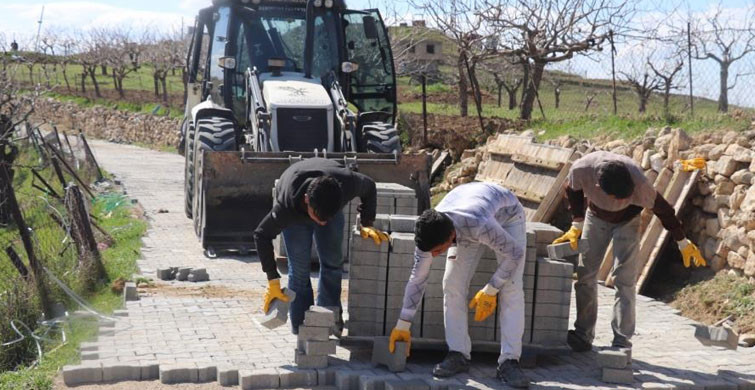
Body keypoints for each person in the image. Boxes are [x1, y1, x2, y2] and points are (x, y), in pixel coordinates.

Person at [553, 151, 706, 352]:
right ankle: (582, 335)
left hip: (628, 221)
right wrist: (577, 223)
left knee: (624, 280)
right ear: (599, 187)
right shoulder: (582, 169)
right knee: (585, 275)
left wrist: (682, 241)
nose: (620, 200)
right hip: (596, 217)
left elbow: (664, 210)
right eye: (617, 197)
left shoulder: (639, 183)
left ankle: (621, 341)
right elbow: (571, 190)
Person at [388, 182, 531, 389]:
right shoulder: (430, 231)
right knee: (452, 283)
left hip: (507, 215)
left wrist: (491, 289)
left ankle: (510, 361)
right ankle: (458, 353)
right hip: (468, 216)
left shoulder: (477, 225)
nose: (435, 256)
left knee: (511, 286)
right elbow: (418, 278)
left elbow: (515, 254)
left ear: (450, 238)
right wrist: (403, 322)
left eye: (438, 251)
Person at [253, 158, 389, 334]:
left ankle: (328, 321)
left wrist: (367, 222)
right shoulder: (286, 207)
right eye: (319, 218)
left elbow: (369, 186)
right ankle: (303, 328)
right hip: (296, 216)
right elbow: (261, 235)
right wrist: (272, 279)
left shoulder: (346, 183)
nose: (323, 223)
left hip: (326, 196)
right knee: (300, 272)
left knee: (333, 263)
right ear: (306, 200)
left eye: (327, 218)